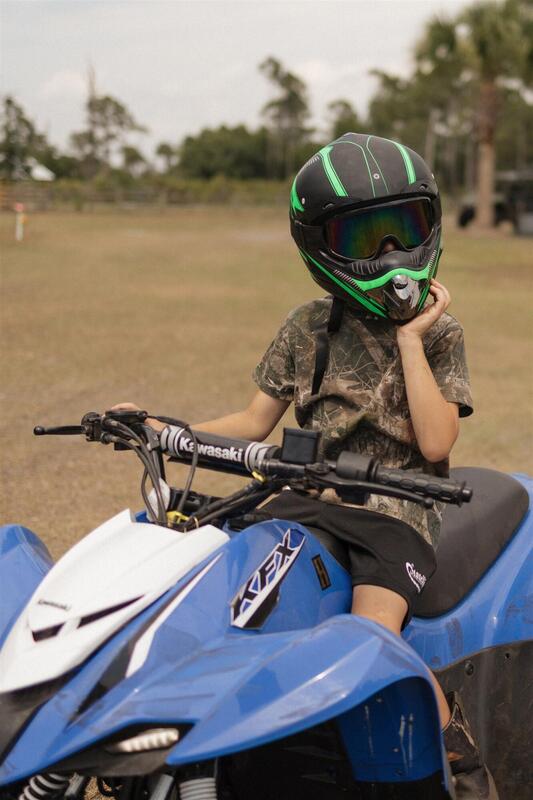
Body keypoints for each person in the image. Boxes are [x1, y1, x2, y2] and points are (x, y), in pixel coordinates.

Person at [113, 132, 496, 799]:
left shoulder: (440, 333)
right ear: (321, 245)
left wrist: (410, 339)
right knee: (215, 589)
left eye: (401, 229)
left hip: (397, 512)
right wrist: (163, 431)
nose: (389, 253)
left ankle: (457, 762)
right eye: (365, 236)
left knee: (372, 634)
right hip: (307, 496)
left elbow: (436, 445)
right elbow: (253, 422)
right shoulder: (305, 327)